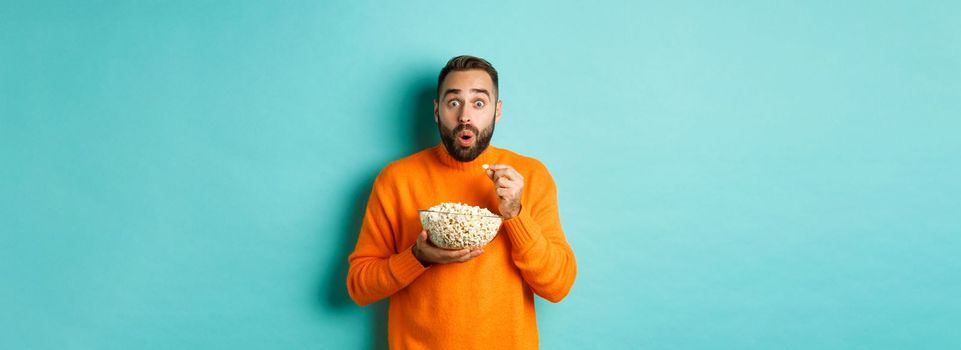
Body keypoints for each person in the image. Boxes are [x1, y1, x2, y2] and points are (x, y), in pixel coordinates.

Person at [346, 55, 577, 349]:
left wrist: (515, 215)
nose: (465, 116)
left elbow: (558, 286)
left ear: (497, 111)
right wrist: (418, 257)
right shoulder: (396, 179)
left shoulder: (530, 176)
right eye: (453, 102)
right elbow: (359, 287)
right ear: (436, 110)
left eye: (479, 103)